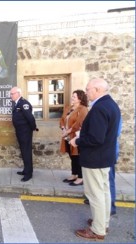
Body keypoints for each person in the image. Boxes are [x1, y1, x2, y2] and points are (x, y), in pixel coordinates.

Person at [70, 78, 121, 241]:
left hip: (95, 158)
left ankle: (98, 230)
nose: (86, 93)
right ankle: (102, 222)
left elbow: (96, 138)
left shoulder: (99, 108)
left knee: (95, 194)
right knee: (104, 192)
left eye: (88, 89)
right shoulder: (111, 104)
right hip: (105, 157)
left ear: (98, 89)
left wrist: (77, 140)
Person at [84, 117, 122, 216]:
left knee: (107, 182)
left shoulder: (104, 109)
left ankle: (110, 208)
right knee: (103, 184)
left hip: (106, 151)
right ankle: (105, 211)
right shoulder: (111, 108)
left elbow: (112, 133)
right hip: (107, 151)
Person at [60, 90, 88, 186]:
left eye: (74, 97)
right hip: (67, 136)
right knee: (72, 156)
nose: (72, 98)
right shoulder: (69, 107)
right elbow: (62, 119)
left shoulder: (83, 109)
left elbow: (78, 124)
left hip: (75, 136)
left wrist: (66, 132)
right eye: (72, 96)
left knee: (77, 156)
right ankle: (74, 174)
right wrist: (63, 128)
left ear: (80, 98)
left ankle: (80, 177)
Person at [10, 87, 38, 182]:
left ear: (18, 93)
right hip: (20, 131)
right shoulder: (18, 103)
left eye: (12, 94)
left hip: (25, 132)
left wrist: (33, 127)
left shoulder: (24, 103)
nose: (11, 96)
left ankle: (29, 174)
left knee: (26, 152)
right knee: (23, 151)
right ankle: (26, 170)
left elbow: (30, 118)